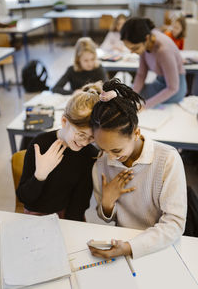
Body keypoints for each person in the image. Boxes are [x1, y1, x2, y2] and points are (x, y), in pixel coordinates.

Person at [88, 78, 187, 259]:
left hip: (160, 246)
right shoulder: (101, 163)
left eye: (117, 150)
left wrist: (129, 248)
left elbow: (174, 223)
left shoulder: (168, 160)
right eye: (103, 149)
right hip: (121, 243)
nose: (109, 157)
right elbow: (101, 219)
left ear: (136, 132)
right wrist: (107, 204)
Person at [16, 82, 102, 221]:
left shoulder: (89, 154)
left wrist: (66, 226)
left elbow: (80, 202)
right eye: (81, 134)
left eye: (91, 138)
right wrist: (40, 176)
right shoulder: (40, 144)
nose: (84, 142)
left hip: (68, 217)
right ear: (64, 121)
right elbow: (24, 197)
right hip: (37, 214)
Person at [120, 17, 187, 109]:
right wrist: (131, 96)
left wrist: (145, 106)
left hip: (175, 89)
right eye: (130, 49)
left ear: (147, 39)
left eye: (135, 48)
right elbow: (141, 74)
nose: (132, 52)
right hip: (160, 82)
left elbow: (172, 88)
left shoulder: (164, 51)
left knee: (144, 103)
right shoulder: (145, 40)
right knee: (127, 93)